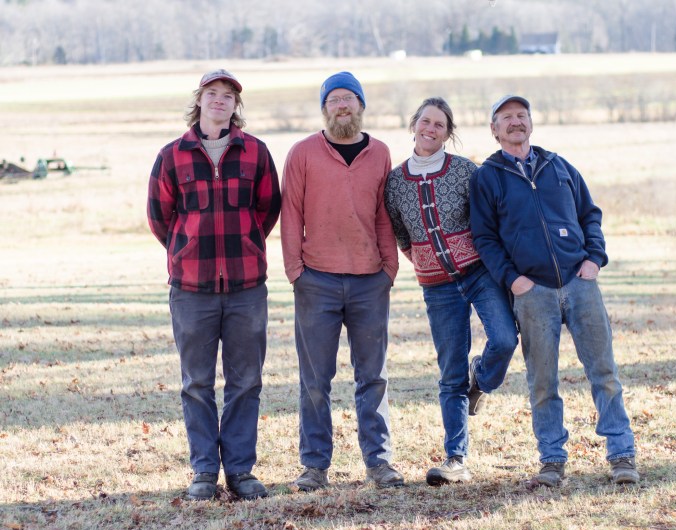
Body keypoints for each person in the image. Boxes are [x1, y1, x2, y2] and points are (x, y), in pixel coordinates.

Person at [469, 94, 639, 487]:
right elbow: (484, 238)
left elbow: (589, 215)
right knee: (543, 382)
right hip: (533, 293)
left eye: (521, 115)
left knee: (604, 373)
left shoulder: (558, 166)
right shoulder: (487, 177)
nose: (516, 122)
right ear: (494, 130)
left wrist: (594, 259)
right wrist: (513, 280)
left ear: (531, 123)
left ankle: (622, 455)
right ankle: (551, 460)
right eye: (506, 117)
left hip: (580, 284)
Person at [147, 69, 281, 500]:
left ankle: (240, 471)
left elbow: (267, 210)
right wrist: (186, 248)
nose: (219, 100)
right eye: (212, 93)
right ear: (199, 100)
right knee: (197, 384)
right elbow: (159, 216)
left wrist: (243, 243)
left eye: (228, 95)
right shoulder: (172, 156)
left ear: (235, 106)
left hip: (246, 288)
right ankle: (204, 471)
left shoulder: (256, 153)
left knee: (246, 382)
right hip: (191, 290)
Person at [280, 71, 404, 491]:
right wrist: (296, 271)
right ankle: (314, 465)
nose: (342, 105)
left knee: (373, 377)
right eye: (334, 99)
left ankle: (380, 463)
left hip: (370, 281)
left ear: (362, 106)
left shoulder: (380, 153)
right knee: (315, 379)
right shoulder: (303, 153)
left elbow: (384, 215)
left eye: (350, 98)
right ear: (324, 108)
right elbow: (290, 214)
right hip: (317, 280)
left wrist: (389, 267)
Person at [384, 97, 517, 486]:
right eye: (425, 121)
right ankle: (456, 458)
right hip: (437, 287)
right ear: (414, 125)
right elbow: (399, 232)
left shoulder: (464, 171)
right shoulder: (394, 181)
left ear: (448, 132)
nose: (430, 129)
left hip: (478, 274)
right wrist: (425, 260)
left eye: (439, 124)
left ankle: (484, 378)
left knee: (506, 339)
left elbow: (486, 218)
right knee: (450, 375)